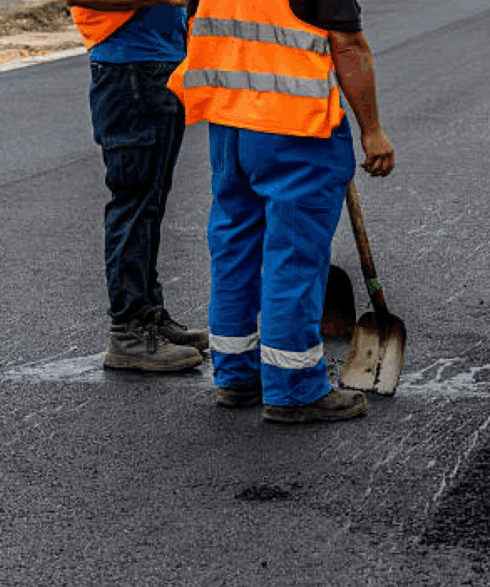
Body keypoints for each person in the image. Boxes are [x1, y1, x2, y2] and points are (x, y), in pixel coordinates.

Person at [167, 0, 396, 423]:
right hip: (295, 129)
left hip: (230, 126)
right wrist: (372, 130)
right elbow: (348, 45)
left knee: (234, 248)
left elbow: (198, 27)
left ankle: (236, 376)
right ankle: (294, 388)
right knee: (293, 257)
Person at [67, 0, 210, 372]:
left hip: (158, 67)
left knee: (150, 203)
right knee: (134, 202)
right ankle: (128, 331)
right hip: (129, 70)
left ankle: (147, 315)